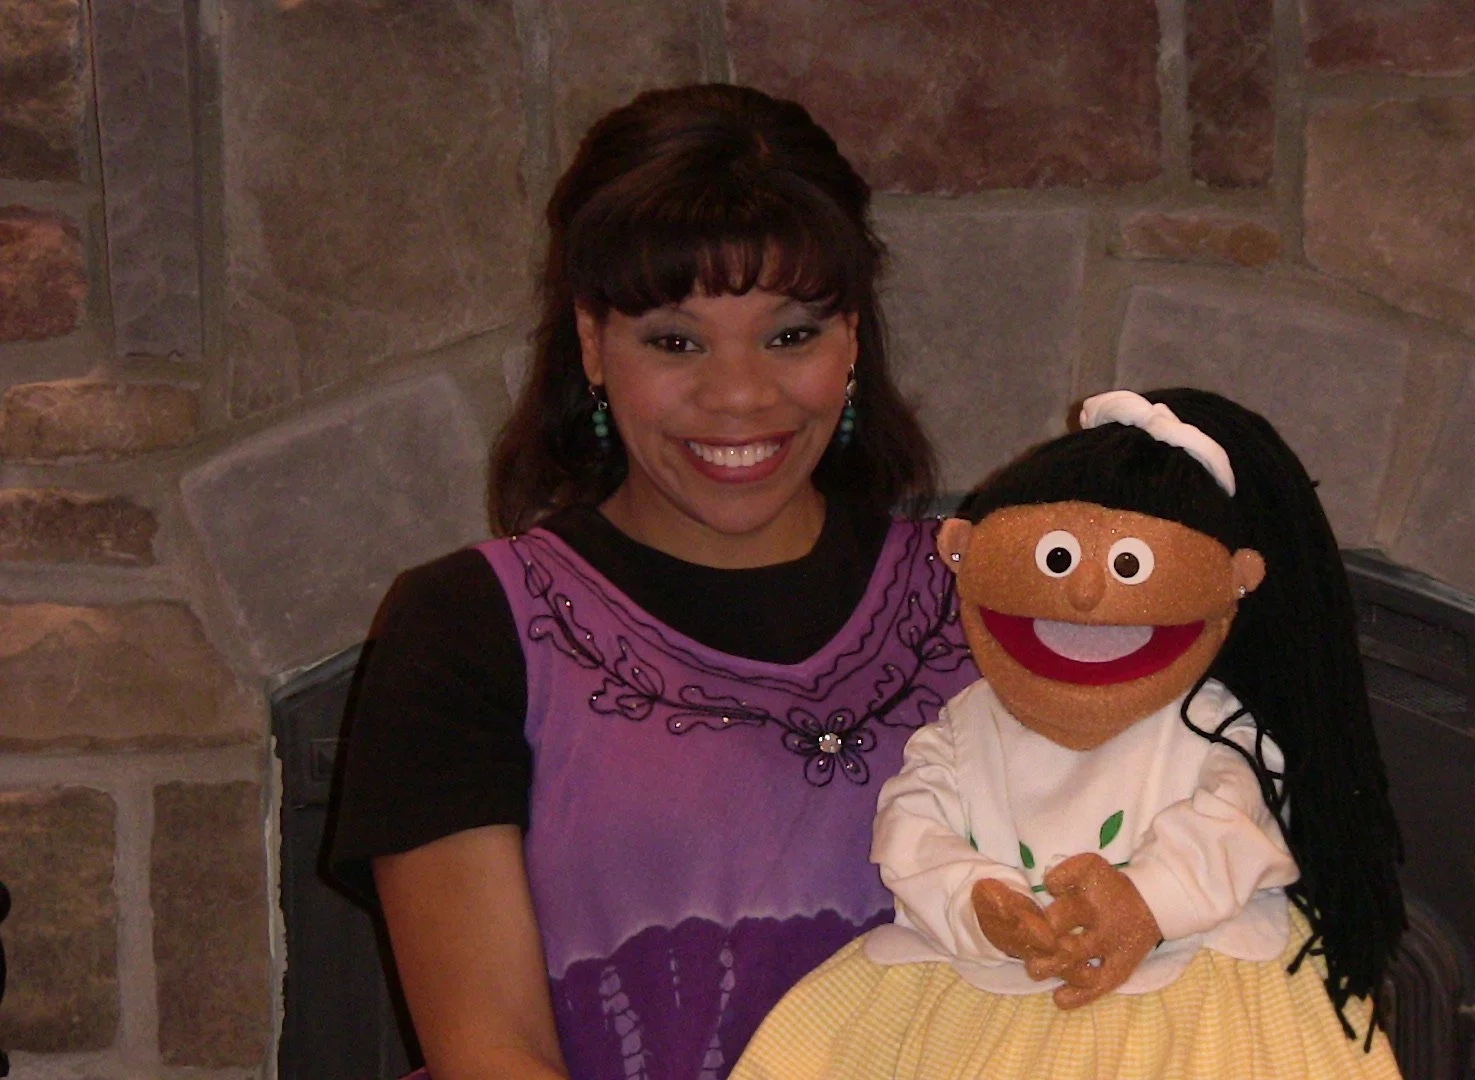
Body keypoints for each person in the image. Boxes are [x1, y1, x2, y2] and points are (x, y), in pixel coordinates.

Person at [328, 84, 976, 1080]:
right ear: (593, 344)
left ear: (852, 339)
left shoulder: (990, 598)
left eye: (791, 335)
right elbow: (490, 1055)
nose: (740, 396)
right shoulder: (467, 625)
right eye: (675, 341)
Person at [734, 389, 1406, 1079]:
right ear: (963, 553)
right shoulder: (964, 725)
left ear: (1237, 582)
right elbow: (913, 828)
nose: (1084, 596)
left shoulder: (1211, 724)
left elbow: (1239, 825)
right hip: (977, 980)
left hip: (1190, 979)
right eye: (1058, 560)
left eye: (1126, 568)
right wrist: (977, 901)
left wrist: (1149, 899)